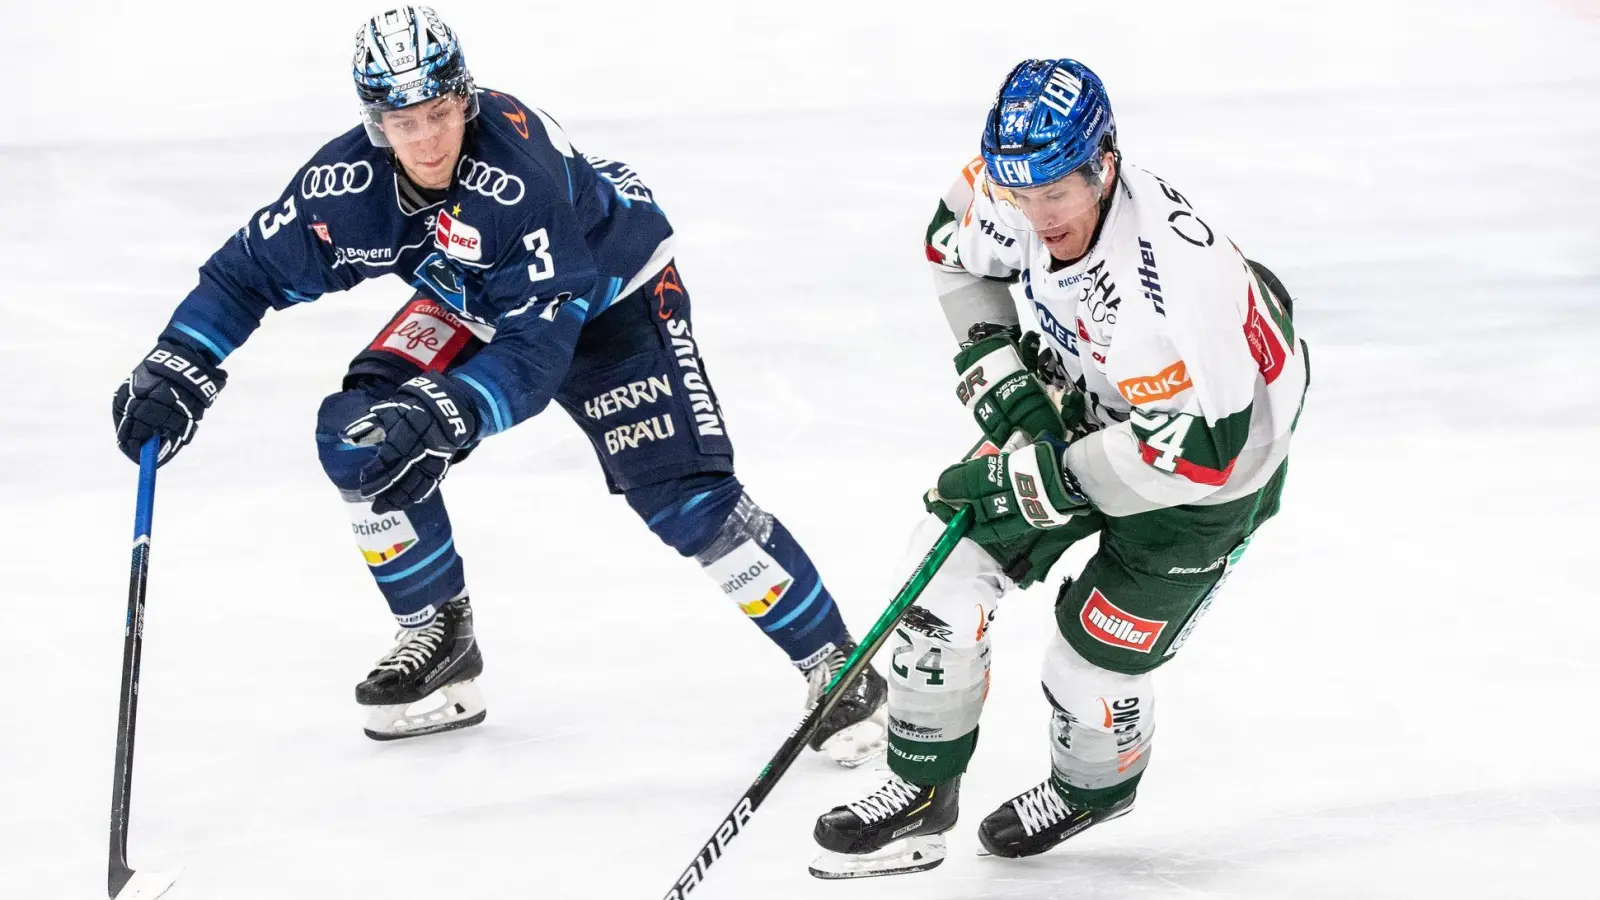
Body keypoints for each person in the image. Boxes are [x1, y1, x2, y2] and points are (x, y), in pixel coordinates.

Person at [108, 5, 886, 762]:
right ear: (375, 122)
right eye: (402, 121)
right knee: (363, 435)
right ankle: (438, 634)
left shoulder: (517, 176)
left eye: (440, 112)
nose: (426, 138)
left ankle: (835, 664)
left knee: (686, 500)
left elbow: (541, 343)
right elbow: (246, 273)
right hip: (471, 297)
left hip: (611, 301)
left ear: (466, 98)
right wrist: (180, 361)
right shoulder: (342, 184)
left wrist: (450, 409)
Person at [808, 58, 1310, 877]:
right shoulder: (1012, 191)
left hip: (1214, 469)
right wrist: (1000, 372)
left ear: (1103, 165)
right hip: (1100, 398)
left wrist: (1034, 481)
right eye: (1023, 194)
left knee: (1089, 664)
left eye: (1057, 195)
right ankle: (919, 787)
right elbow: (952, 245)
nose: (1037, 217)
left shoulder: (1174, 285)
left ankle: (1091, 789)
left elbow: (1203, 456)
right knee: (939, 582)